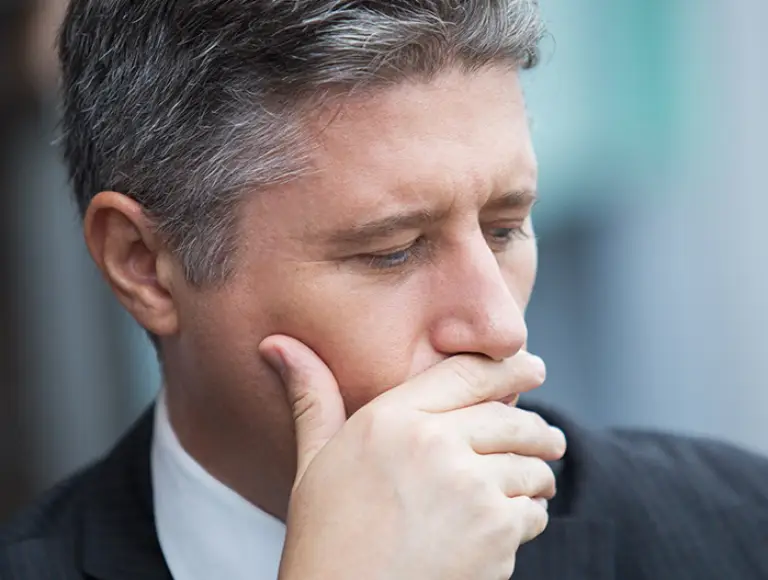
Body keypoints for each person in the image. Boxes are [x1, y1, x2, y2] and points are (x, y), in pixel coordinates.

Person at [2, 1, 767, 578]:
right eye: (393, 252)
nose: (502, 329)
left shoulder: (733, 534)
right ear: (143, 264)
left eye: (506, 228)